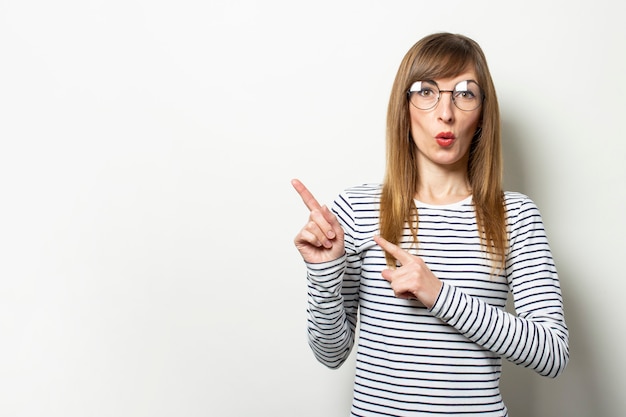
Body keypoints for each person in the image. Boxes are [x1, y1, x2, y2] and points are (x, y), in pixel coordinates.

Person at [292, 32, 569, 416]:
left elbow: (552, 353)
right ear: (403, 107)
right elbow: (331, 353)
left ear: (484, 111)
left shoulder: (515, 216)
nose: (446, 113)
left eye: (465, 93)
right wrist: (323, 272)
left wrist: (439, 295)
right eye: (426, 91)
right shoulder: (356, 209)